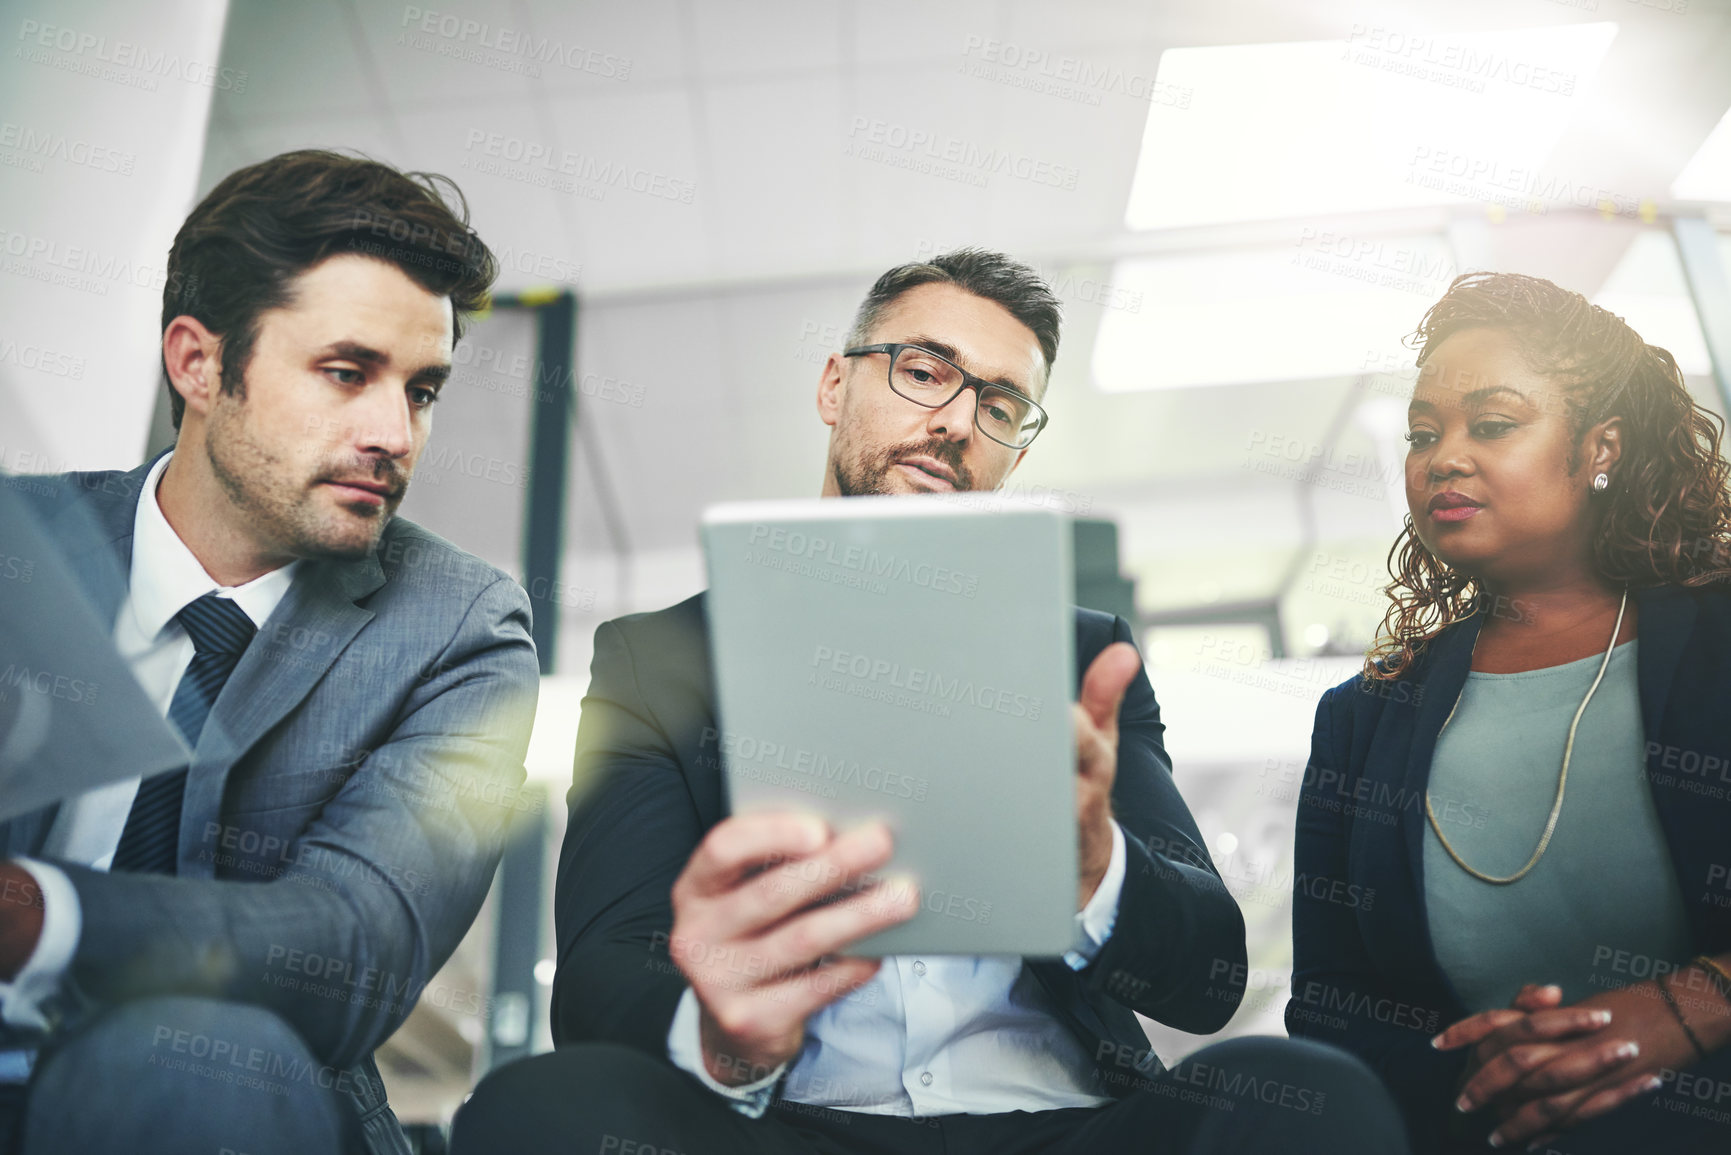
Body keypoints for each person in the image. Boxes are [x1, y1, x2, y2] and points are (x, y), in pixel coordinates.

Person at [454, 249, 1409, 1154]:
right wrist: (725, 1032)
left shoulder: (1083, 654)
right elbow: (597, 978)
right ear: (835, 386)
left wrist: (1095, 873)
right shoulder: (656, 658)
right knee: (538, 1110)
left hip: (1064, 1123)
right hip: (787, 1125)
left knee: (1309, 1095)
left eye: (1001, 405)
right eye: (924, 371)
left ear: (1015, 455)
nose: (957, 420)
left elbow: (1208, 979)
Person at [0, 150, 540, 1155]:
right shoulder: (16, 544)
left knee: (186, 1055)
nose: (395, 432)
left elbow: (353, 951)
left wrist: (45, 917)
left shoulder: (461, 625)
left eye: (422, 390)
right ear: (199, 363)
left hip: (222, 1094)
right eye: (347, 373)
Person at [1287, 271, 1731, 1154]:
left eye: (1491, 424)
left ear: (1599, 446)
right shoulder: (1364, 716)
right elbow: (1329, 1002)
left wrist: (1696, 1003)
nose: (1442, 457)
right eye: (1423, 434)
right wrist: (1495, 1072)